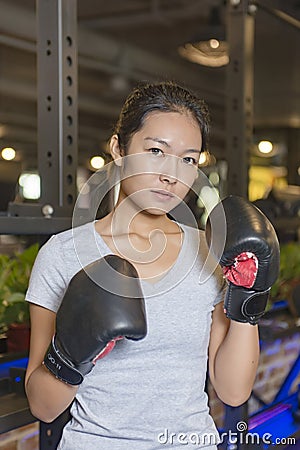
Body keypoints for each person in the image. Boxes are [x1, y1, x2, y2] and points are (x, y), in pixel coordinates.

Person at [24, 81, 279, 449]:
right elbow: (43, 407)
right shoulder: (64, 254)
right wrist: (71, 353)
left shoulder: (210, 253)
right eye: (156, 150)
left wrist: (248, 299)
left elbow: (233, 391)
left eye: (188, 159)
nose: (171, 174)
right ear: (118, 149)